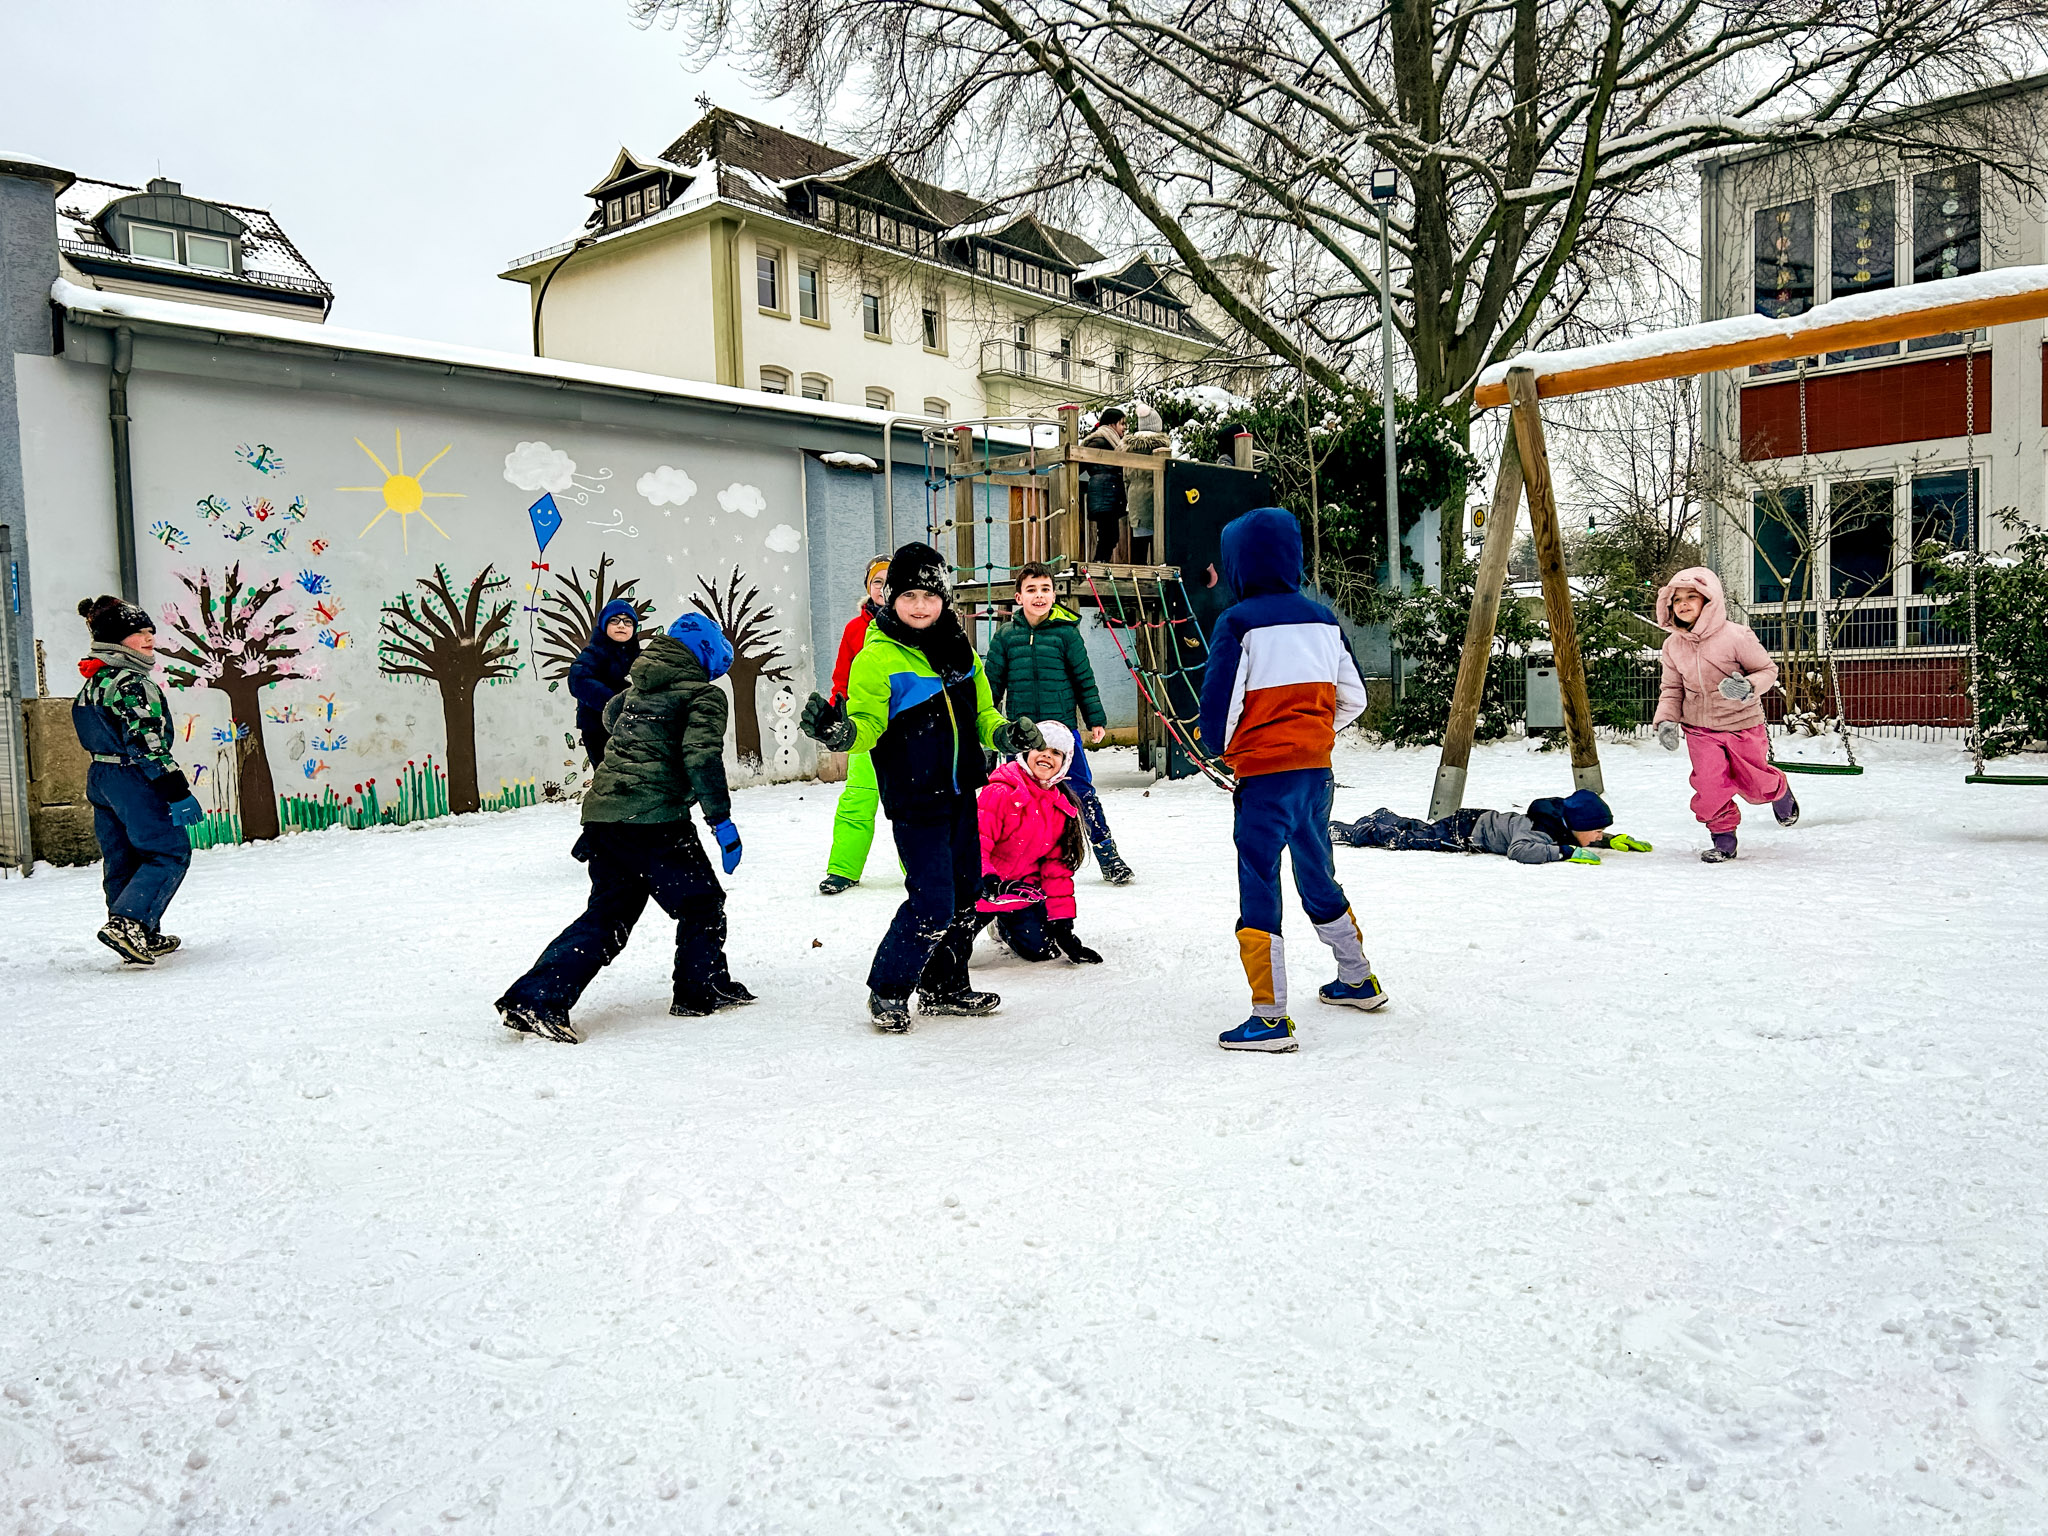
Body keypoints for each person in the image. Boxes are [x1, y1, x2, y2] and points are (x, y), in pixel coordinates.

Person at [799, 541, 1044, 1033]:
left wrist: (1005, 735)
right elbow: (866, 725)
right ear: (890, 597)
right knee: (932, 899)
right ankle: (888, 990)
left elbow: (982, 716)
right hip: (914, 798)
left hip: (959, 795)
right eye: (908, 594)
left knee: (967, 893)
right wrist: (837, 732)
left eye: (929, 596)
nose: (919, 605)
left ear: (944, 600)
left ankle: (944, 986)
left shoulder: (962, 653)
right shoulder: (877, 657)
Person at [496, 612, 750, 1044]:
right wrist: (721, 821)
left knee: (609, 913)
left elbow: (611, 718)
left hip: (603, 817)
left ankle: (538, 996)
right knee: (701, 903)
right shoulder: (702, 696)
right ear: (706, 652)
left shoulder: (636, 689)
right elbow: (701, 757)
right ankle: (698, 988)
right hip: (654, 821)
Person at [1198, 507, 1382, 1053]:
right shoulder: (1324, 620)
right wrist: (1313, 737)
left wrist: (1228, 749)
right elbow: (1356, 698)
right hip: (1315, 776)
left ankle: (1269, 1017)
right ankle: (1357, 979)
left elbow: (1219, 710)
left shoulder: (1238, 623)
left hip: (1265, 780)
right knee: (1316, 868)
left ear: (1238, 564)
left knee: (1259, 881)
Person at [72, 595, 205, 965]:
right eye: (137, 633)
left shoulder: (95, 680)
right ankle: (130, 924)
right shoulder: (131, 683)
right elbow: (147, 742)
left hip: (102, 776)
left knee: (123, 857)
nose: (148, 639)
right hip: (134, 776)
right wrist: (176, 789)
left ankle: (137, 931)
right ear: (115, 640)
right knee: (167, 852)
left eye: (150, 631)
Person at [983, 562, 1134, 884]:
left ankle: (1108, 854)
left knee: (1080, 790)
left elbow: (1083, 679)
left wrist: (1095, 718)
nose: (1039, 596)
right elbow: (991, 685)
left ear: (1053, 594)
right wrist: (987, 731)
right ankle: (1018, 861)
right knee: (1017, 797)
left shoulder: (1066, 633)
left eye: (1045, 589)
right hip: (1020, 734)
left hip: (1062, 730)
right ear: (1018, 597)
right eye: (1031, 590)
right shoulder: (1006, 636)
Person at [1652, 566, 1799, 864]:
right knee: (1709, 786)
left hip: (1742, 724)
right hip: (1700, 729)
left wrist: (1747, 686)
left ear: (1709, 600)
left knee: (1755, 785)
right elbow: (1671, 688)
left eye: (1691, 596)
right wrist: (1667, 720)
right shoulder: (1672, 646)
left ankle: (1778, 789)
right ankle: (1723, 838)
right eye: (1676, 598)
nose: (1682, 603)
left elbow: (1767, 671)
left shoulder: (1737, 636)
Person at [971, 721, 1103, 965]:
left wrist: (1063, 926)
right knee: (953, 953)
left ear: (1064, 763)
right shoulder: (1000, 792)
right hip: (980, 888)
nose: (1046, 756)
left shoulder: (1060, 806)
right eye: (1040, 748)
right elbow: (977, 843)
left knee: (1042, 951)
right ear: (1025, 752)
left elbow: (1056, 870)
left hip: (1019, 890)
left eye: (1056, 753)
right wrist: (989, 883)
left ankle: (1003, 927)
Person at [819, 555, 891, 895]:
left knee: (916, 805)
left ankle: (924, 867)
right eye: (877, 581)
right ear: (868, 587)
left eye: (891, 580)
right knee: (858, 798)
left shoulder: (920, 623)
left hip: (910, 728)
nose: (884, 588)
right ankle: (843, 869)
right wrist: (839, 711)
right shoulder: (855, 629)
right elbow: (842, 675)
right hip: (866, 728)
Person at [1331, 790, 1652, 863]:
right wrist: (1565, 853)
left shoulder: (1563, 819)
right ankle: (1352, 831)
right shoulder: (1542, 829)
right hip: (1466, 834)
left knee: (1421, 830)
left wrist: (1610, 842)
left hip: (1474, 820)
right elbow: (1519, 850)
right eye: (1596, 830)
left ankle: (1385, 815)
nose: (1596, 836)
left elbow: (1582, 833)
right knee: (1407, 841)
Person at [566, 598, 642, 768]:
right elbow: (578, 680)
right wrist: (613, 702)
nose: (621, 625)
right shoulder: (593, 654)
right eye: (614, 621)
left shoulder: (641, 658)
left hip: (633, 727)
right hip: (597, 726)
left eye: (627, 622)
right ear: (604, 625)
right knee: (607, 771)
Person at [1081, 407, 1128, 563]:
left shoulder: (1110, 441)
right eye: (1122, 424)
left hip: (1109, 493)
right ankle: (1099, 563)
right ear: (1112, 424)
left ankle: (1101, 563)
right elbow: (1081, 461)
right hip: (1104, 493)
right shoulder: (1101, 441)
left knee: (1109, 535)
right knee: (1108, 535)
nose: (1124, 428)